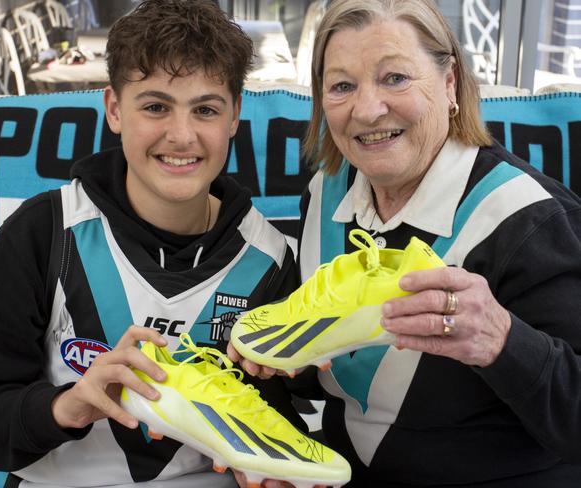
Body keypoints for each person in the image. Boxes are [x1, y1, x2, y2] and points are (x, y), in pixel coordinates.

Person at [0, 1, 303, 487]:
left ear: (234, 116)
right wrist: (67, 405)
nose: (181, 135)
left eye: (206, 109)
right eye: (155, 106)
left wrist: (274, 465)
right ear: (113, 109)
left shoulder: (269, 259)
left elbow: (275, 420)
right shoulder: (45, 231)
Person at [229, 0, 581, 486]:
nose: (368, 109)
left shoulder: (529, 220)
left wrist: (500, 341)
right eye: (342, 86)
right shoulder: (327, 191)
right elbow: (335, 375)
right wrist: (275, 368)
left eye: (395, 78)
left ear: (450, 83)